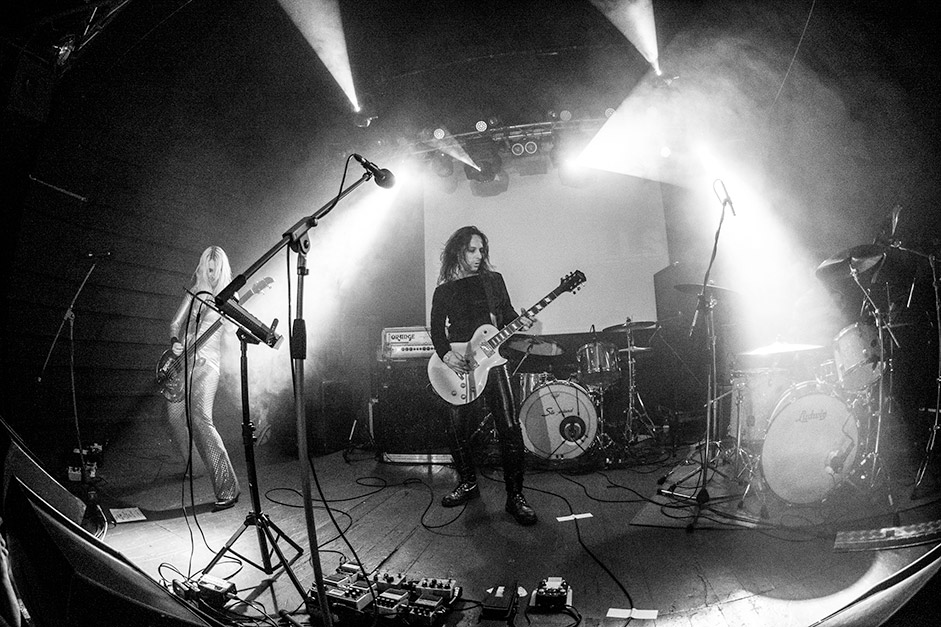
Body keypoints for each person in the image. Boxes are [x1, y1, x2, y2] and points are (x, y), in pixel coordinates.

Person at [429, 226, 537, 525]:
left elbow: (507, 316)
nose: (478, 256)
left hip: (493, 362)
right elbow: (437, 330)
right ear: (458, 252)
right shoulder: (444, 290)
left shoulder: (493, 281)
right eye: (472, 250)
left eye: (481, 250)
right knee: (455, 429)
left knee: (510, 427)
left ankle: (515, 497)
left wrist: (522, 320)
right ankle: (467, 483)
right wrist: (447, 355)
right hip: (460, 365)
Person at [165, 246, 241, 511]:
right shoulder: (196, 291)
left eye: (214, 270)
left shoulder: (230, 295)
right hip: (184, 362)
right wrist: (175, 342)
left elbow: (231, 334)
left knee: (201, 420)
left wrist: (230, 322)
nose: (210, 274)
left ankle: (228, 488)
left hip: (208, 365)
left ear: (221, 270)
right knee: (175, 416)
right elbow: (175, 323)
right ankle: (196, 466)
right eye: (206, 269)